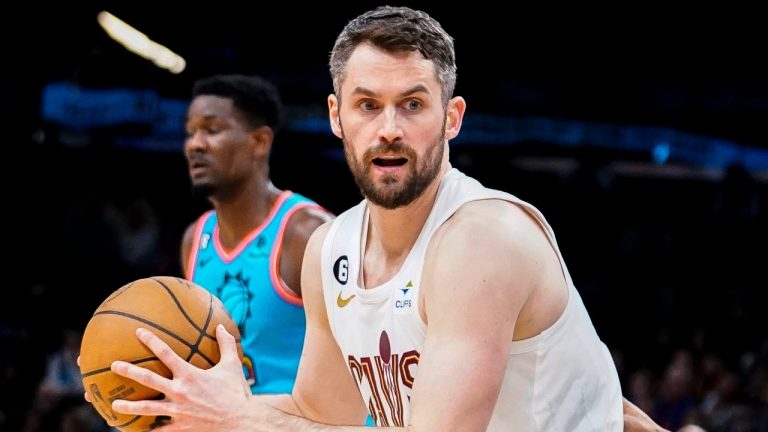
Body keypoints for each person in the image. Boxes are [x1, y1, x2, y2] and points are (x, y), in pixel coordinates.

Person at [104, 7, 668, 431]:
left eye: (413, 104)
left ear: (452, 118)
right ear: (336, 116)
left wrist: (243, 419)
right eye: (368, 104)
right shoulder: (332, 248)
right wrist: (187, 402)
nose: (389, 127)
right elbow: (322, 412)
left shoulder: (483, 239)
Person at [180, 74, 334, 394]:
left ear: (259, 142)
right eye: (191, 132)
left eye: (212, 129)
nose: (195, 144)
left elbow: (364, 353)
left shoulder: (307, 234)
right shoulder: (195, 240)